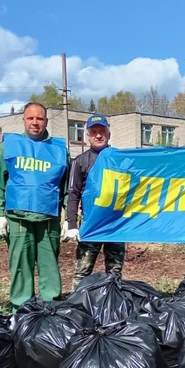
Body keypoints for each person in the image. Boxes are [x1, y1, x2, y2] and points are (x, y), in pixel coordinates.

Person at [0, 102, 70, 310]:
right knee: (20, 267)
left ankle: (50, 310)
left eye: (40, 118)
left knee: (49, 267)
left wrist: (69, 218)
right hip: (18, 219)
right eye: (30, 118)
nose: (35, 122)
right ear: (24, 120)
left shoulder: (60, 150)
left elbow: (67, 188)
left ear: (46, 121)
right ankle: (21, 311)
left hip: (48, 220)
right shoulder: (8, 147)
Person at [64, 114, 125, 290]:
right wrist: (72, 223)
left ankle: (113, 302)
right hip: (91, 224)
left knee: (114, 271)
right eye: (94, 132)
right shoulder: (79, 161)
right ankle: (77, 304)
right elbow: (73, 193)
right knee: (82, 270)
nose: (98, 135)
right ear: (88, 136)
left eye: (102, 131)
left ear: (108, 134)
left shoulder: (121, 159)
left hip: (116, 224)